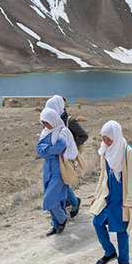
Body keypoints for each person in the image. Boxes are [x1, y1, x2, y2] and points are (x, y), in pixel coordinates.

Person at [89, 120, 132, 264]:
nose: (106, 142)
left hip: (122, 195)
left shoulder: (127, 151)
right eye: (104, 139)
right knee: (97, 222)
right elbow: (103, 175)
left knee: (121, 229)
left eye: (108, 139)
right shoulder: (105, 152)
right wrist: (98, 195)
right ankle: (109, 252)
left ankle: (124, 260)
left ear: (116, 136)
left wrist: (130, 201)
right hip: (107, 194)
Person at [45, 95, 88, 218]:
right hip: (54, 156)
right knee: (58, 180)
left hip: (66, 157)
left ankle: (73, 201)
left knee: (62, 180)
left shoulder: (70, 121)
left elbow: (84, 136)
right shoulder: (52, 119)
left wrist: (70, 147)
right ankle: (67, 201)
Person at [36, 108, 77, 236]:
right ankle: (55, 224)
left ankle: (62, 218)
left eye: (47, 122)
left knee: (50, 199)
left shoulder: (63, 132)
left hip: (59, 168)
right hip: (47, 168)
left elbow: (59, 148)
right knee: (54, 197)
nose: (45, 125)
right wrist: (51, 150)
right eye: (43, 122)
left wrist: (46, 149)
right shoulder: (45, 132)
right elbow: (38, 150)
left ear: (53, 120)